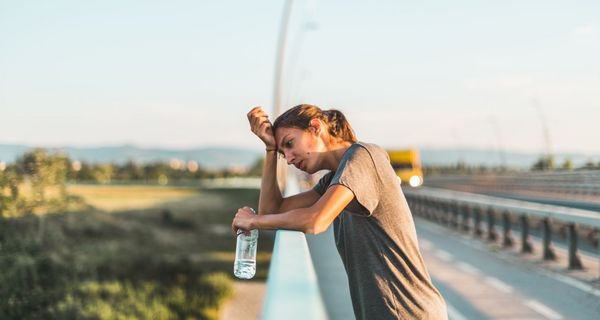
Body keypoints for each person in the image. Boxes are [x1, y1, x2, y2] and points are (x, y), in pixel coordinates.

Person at [232, 104, 447, 320]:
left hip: (408, 313)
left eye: (289, 144)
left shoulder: (363, 157)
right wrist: (270, 149)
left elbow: (316, 220)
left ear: (315, 127)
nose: (288, 159)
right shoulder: (333, 180)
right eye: (282, 153)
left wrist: (256, 221)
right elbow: (272, 210)